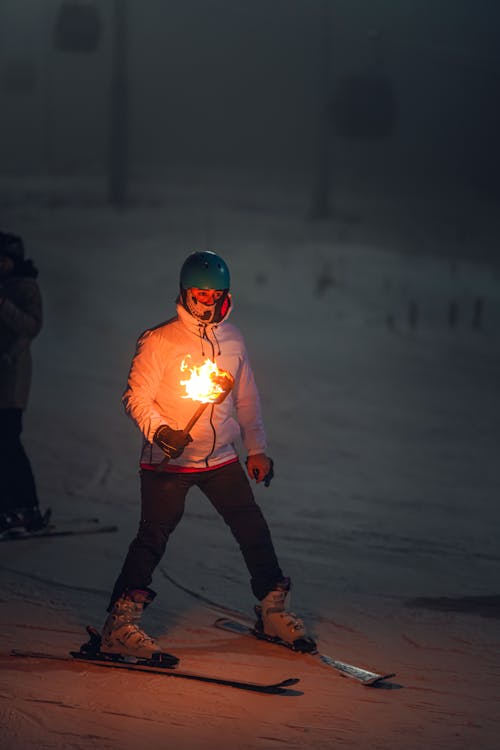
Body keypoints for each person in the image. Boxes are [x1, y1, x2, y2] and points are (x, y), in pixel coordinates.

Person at [102, 250, 315, 658]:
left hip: (221, 457)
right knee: (152, 537)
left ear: (225, 296)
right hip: (169, 461)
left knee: (252, 529)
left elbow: (247, 397)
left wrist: (257, 449)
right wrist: (160, 431)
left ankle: (271, 608)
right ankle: (120, 623)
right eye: (199, 294)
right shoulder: (160, 340)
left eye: (214, 295)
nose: (206, 301)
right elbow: (136, 397)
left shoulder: (233, 339)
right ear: (184, 293)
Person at [0, 231, 45, 533]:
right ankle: (8, 507)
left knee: (9, 444)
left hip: (11, 383)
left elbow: (31, 326)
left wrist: (3, 304)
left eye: (2, 261)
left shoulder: (25, 288)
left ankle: (26, 508)